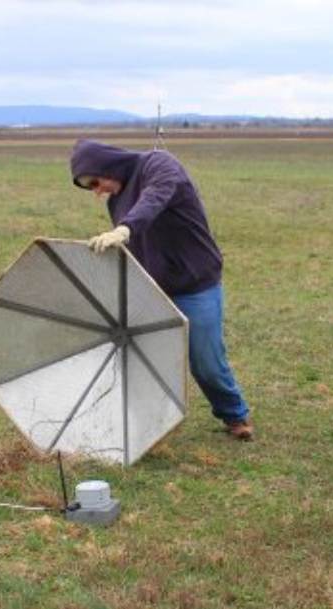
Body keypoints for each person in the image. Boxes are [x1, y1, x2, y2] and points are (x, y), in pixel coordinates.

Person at [69, 139, 254, 441]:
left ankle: (234, 414)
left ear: (108, 166)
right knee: (140, 358)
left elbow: (154, 198)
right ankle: (146, 425)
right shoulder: (115, 200)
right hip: (152, 288)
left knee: (205, 361)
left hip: (196, 284)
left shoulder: (159, 165)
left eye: (96, 182)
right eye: (90, 188)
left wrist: (124, 229)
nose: (97, 191)